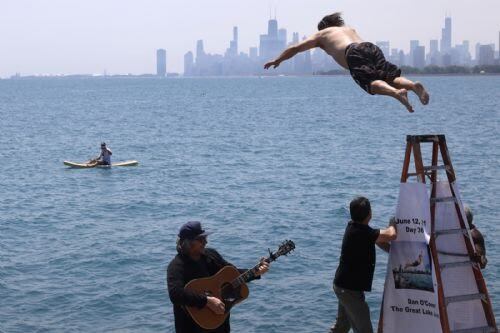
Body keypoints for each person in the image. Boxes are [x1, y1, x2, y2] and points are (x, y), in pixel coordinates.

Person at [264, 12, 429, 113]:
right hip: (370, 47)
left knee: (371, 83)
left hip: (353, 51)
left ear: (323, 27)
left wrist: (277, 60)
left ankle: (396, 93)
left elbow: (295, 48)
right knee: (389, 77)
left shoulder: (321, 35)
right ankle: (414, 86)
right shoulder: (348, 29)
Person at [167, 221, 270, 333]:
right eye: (201, 239)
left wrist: (255, 273)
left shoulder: (211, 256)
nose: (205, 242)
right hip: (190, 327)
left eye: (205, 238)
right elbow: (175, 294)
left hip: (219, 323)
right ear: (188, 243)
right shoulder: (177, 266)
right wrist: (206, 301)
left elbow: (232, 275)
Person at [330, 197, 397, 333]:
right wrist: (393, 223)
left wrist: (394, 252)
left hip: (343, 286)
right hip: (349, 290)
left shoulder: (355, 228)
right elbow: (392, 235)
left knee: (341, 327)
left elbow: (378, 241)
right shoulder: (363, 232)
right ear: (369, 214)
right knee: (364, 330)